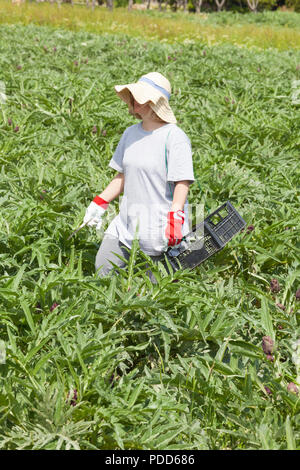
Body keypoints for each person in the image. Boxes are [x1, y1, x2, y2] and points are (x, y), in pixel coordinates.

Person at [83, 72, 195, 282]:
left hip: (159, 226)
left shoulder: (174, 137)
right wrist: (99, 202)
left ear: (154, 102)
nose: (133, 100)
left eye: (139, 96)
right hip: (126, 222)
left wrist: (176, 216)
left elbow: (182, 181)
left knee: (151, 289)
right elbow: (122, 176)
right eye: (132, 95)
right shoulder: (130, 134)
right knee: (103, 269)